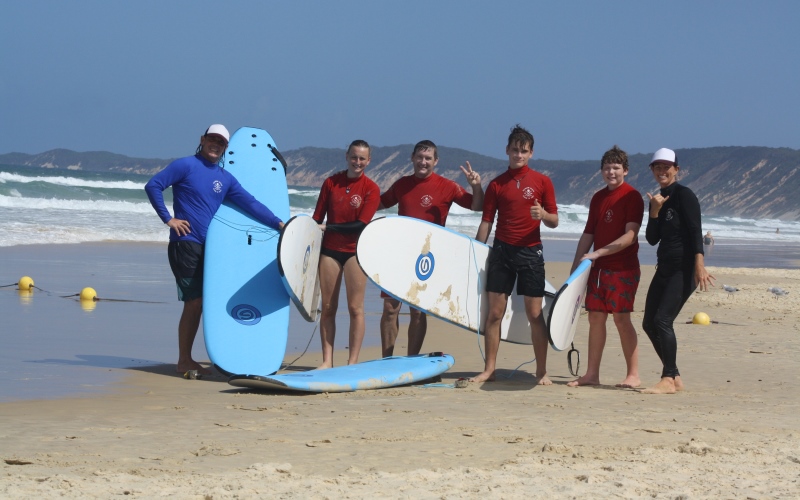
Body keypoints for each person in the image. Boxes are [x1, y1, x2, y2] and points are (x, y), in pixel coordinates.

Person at [145, 124, 284, 375]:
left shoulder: (225, 179)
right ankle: (184, 359)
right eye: (212, 139)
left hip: (208, 250)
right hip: (185, 243)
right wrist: (169, 219)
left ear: (226, 148)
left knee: (204, 301)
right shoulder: (185, 165)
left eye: (220, 142)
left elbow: (250, 203)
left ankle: (211, 354)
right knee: (194, 301)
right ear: (202, 139)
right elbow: (153, 185)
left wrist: (279, 223)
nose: (215, 145)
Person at [378, 140, 484, 357]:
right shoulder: (402, 184)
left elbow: (477, 206)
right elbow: (379, 203)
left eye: (428, 158)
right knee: (390, 308)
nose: (423, 162)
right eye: (419, 157)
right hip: (400, 255)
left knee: (417, 310)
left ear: (436, 161)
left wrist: (475, 185)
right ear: (412, 158)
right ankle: (386, 360)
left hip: (426, 258)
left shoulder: (448, 186)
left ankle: (411, 359)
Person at [472, 125, 558, 383]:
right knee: (494, 314)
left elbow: (554, 220)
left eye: (524, 151)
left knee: (534, 314)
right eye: (514, 150)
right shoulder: (497, 184)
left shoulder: (542, 182)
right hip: (502, 252)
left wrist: (542, 215)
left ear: (531, 153)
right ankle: (489, 369)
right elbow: (487, 221)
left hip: (531, 252)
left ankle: (541, 371)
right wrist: (476, 251)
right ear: (507, 151)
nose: (518, 155)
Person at [566, 146, 644, 389]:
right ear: (601, 171)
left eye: (616, 167)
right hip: (597, 270)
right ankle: (591, 374)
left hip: (623, 268)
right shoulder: (598, 197)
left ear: (626, 171)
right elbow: (588, 233)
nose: (611, 171)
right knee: (596, 318)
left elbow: (630, 236)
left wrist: (599, 253)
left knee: (621, 319)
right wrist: (575, 269)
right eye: (607, 167)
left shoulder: (632, 196)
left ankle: (633, 375)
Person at [641, 148, 715, 394]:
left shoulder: (685, 196)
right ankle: (674, 374)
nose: (662, 171)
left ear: (676, 169)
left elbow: (696, 231)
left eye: (666, 166)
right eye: (657, 167)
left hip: (684, 270)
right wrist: (653, 211)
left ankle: (668, 379)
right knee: (649, 323)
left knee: (662, 321)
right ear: (652, 170)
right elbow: (652, 239)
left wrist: (699, 264)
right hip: (664, 269)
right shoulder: (658, 199)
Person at [312, 140, 381, 368]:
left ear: (368, 161)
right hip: (330, 252)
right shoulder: (331, 182)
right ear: (347, 156)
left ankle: (352, 362)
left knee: (355, 308)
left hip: (355, 252)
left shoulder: (371, 189)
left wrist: (328, 228)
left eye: (362, 158)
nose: (357, 162)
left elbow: (361, 224)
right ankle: (327, 360)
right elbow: (316, 219)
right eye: (354, 157)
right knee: (329, 308)